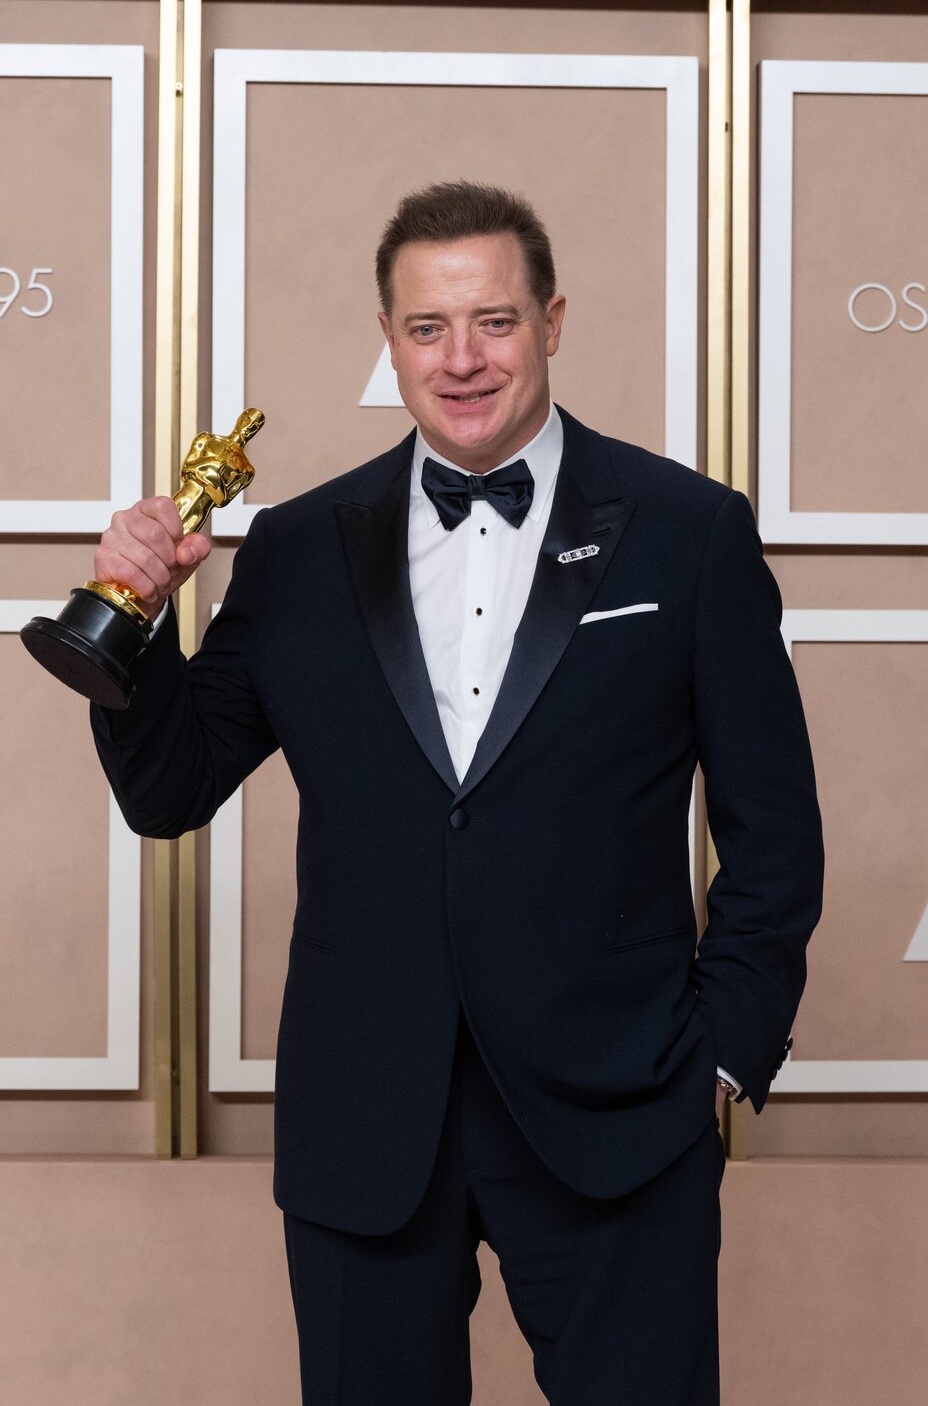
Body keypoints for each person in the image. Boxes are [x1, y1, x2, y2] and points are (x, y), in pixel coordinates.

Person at [89, 181, 824, 1405]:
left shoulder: (689, 533)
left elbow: (775, 831)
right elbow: (171, 789)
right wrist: (136, 625)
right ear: (390, 341)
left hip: (624, 1110)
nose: (463, 357)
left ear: (552, 321)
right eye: (429, 327)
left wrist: (722, 1056)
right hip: (366, 1117)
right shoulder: (298, 549)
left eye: (495, 320)